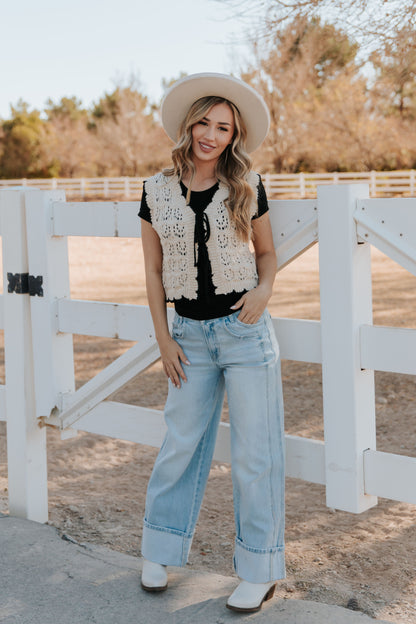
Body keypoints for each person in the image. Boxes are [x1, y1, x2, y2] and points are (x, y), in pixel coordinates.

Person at [138, 73, 285, 613]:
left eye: (223, 127)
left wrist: (263, 292)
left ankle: (260, 568)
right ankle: (159, 549)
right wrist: (164, 339)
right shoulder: (155, 189)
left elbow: (267, 256)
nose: (211, 134)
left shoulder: (246, 183)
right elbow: (153, 271)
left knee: (255, 453)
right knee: (180, 443)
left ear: (233, 135)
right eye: (204, 122)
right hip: (189, 339)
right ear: (188, 124)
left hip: (244, 333)